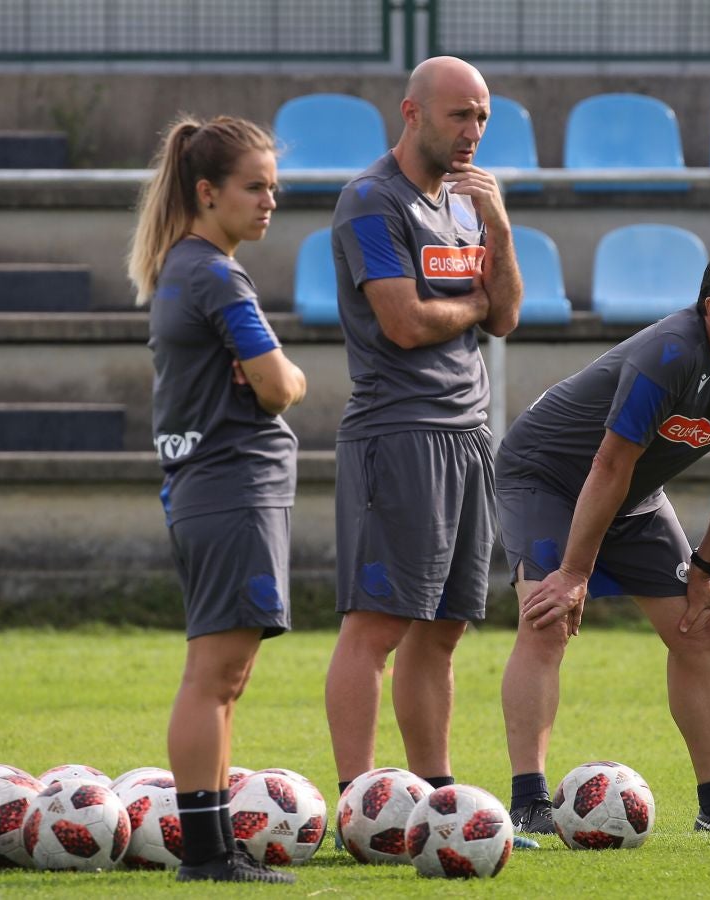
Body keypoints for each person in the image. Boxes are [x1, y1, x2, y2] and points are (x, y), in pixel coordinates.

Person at [496, 239, 710, 836]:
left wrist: (706, 567)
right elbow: (608, 466)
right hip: (548, 477)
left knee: (702, 625)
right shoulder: (669, 353)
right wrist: (573, 574)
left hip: (630, 495)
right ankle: (528, 800)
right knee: (547, 618)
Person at [323, 56, 523, 804]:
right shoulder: (372, 201)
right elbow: (405, 324)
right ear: (411, 114)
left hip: (468, 432)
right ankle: (359, 800)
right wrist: (471, 306)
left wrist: (498, 224)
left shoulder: (471, 203)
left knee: (442, 628)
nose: (472, 132)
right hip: (398, 432)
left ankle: (432, 794)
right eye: (458, 115)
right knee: (377, 625)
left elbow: (505, 314)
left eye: (481, 117)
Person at [127, 114, 308, 883]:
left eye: (274, 187)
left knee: (222, 678)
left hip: (212, 487)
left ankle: (214, 845)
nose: (269, 201)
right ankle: (204, 853)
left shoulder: (184, 266)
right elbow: (277, 386)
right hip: (231, 485)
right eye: (254, 187)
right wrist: (290, 378)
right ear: (207, 192)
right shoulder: (215, 274)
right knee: (215, 677)